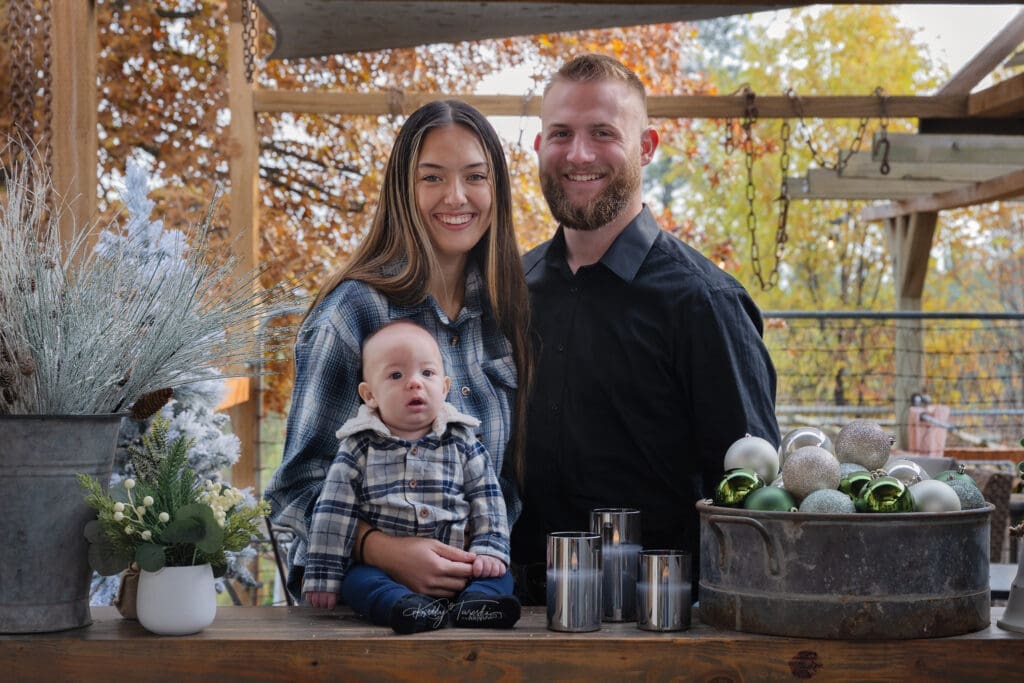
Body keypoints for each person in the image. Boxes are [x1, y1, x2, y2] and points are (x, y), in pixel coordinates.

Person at [510, 54, 780, 602]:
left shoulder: (706, 302)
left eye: (602, 133)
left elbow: (752, 497)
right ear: (539, 148)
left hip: (657, 625)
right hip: (509, 613)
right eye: (560, 133)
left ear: (647, 147)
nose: (578, 154)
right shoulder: (508, 289)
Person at [265, 100, 532, 606]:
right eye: (432, 178)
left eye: (475, 176)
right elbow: (293, 492)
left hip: (475, 603)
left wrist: (483, 553)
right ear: (403, 191)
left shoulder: (508, 314)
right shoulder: (353, 314)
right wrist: (382, 549)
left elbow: (507, 482)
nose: (456, 196)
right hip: (365, 610)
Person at [303, 320, 520, 633]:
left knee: (498, 575)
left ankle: (476, 605)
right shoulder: (358, 447)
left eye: (427, 373)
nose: (415, 383)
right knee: (358, 582)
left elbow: (488, 499)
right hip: (385, 570)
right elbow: (333, 513)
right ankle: (404, 608)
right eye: (396, 375)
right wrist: (323, 575)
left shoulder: (462, 440)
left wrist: (488, 550)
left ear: (444, 387)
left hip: (459, 564)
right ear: (369, 394)